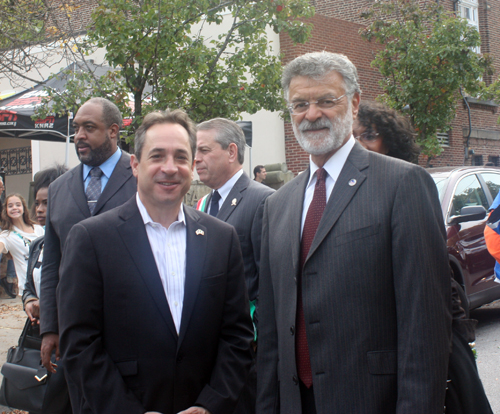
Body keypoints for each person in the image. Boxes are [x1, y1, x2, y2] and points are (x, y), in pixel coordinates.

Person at [256, 52, 452, 414]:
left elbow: (425, 325)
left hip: (373, 402)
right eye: (299, 104)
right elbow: (270, 332)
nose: (311, 114)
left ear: (355, 103)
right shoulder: (277, 205)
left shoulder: (402, 184)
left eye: (326, 101)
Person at [57, 109, 254, 414]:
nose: (170, 168)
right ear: (135, 164)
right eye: (157, 156)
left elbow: (237, 336)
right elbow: (79, 344)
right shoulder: (91, 238)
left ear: (192, 165)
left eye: (180, 157)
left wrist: (210, 405)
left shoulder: (221, 238)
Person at [356, 100, 493, 414]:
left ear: (391, 141)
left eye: (368, 136)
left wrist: (457, 344)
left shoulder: (409, 184)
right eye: (354, 137)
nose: (360, 145)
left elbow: (436, 281)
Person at [39, 97, 137, 375]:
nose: (79, 136)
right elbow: (51, 265)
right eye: (76, 128)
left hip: (132, 328)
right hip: (74, 334)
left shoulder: (140, 177)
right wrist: (50, 327)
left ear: (113, 131)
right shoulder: (58, 188)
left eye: (89, 128)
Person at [195, 118, 274, 331]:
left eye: (203, 150)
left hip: (245, 339)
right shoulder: (202, 204)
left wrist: (258, 337)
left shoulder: (264, 200)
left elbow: (270, 282)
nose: (195, 159)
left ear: (231, 152)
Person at [21, 164, 72, 414]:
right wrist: (29, 300)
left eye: (47, 203)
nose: (40, 210)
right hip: (40, 337)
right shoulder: (38, 245)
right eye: (38, 203)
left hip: (67, 341)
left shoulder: (77, 241)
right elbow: (29, 285)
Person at [0, 194, 44, 295]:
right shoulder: (7, 235)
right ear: (6, 210)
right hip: (28, 288)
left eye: (18, 205)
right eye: (10, 206)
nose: (14, 208)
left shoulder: (38, 229)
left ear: (24, 208)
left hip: (47, 283)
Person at [352, 101, 420, 163]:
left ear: (388, 143)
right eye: (351, 137)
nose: (359, 145)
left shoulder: (403, 175)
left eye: (369, 136)